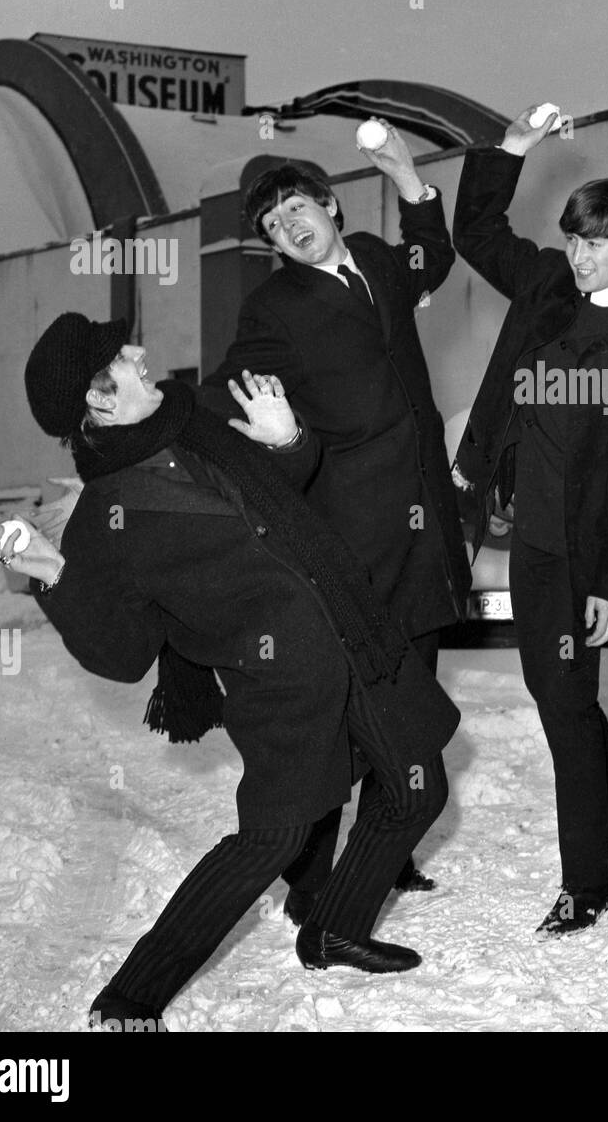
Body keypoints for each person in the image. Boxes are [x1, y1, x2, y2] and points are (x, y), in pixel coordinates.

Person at [0, 312, 459, 1029]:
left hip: (354, 626)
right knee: (272, 839)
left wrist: (287, 440)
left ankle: (333, 929)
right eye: (123, 357)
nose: (143, 353)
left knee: (418, 785)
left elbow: (276, 493)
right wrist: (53, 574)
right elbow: (118, 655)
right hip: (285, 679)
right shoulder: (109, 517)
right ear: (102, 401)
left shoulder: (198, 414)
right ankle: (132, 996)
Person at [202, 124, 471, 914]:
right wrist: (280, 438)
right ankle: (308, 878)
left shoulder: (382, 265)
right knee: (352, 713)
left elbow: (435, 254)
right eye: (273, 229)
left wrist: (409, 178)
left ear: (329, 204)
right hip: (353, 536)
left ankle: (384, 855)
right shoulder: (274, 309)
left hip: (425, 528)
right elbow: (225, 394)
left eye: (296, 210)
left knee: (414, 694)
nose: (289, 229)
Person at [451, 106, 608, 936]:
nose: (579, 257)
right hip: (525, 532)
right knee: (561, 695)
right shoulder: (553, 283)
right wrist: (510, 150)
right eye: (575, 239)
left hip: (579, 552)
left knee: (562, 704)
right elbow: (474, 232)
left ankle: (589, 883)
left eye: (596, 245)